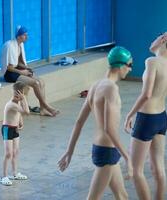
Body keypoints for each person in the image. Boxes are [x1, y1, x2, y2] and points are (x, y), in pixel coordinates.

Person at [58, 46, 134, 200]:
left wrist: (69, 151)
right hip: (107, 152)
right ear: (120, 65)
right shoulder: (111, 89)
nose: (131, 69)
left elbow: (79, 122)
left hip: (103, 150)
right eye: (130, 65)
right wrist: (127, 157)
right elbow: (109, 129)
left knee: (122, 196)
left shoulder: (95, 86)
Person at [124, 30, 167, 200]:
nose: (154, 38)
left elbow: (146, 94)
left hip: (146, 119)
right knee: (158, 169)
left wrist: (129, 114)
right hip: (161, 118)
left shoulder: (152, 62)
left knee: (136, 169)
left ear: (163, 39)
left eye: (158, 36)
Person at [0, 25, 59, 117]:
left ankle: (42, 109)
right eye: (24, 35)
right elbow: (9, 67)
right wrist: (23, 72)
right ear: (19, 36)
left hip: (17, 70)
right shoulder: (10, 46)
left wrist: (26, 68)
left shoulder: (20, 44)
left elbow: (18, 62)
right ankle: (46, 106)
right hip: (10, 74)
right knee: (35, 83)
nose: (27, 37)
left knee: (41, 82)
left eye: (27, 35)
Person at [0, 81, 30, 186]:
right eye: (23, 94)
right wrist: (24, 99)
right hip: (7, 129)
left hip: (14, 128)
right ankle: (4, 176)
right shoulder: (11, 104)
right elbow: (26, 112)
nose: (24, 97)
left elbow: (20, 113)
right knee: (8, 154)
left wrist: (20, 122)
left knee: (16, 152)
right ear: (19, 93)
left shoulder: (17, 103)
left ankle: (15, 173)